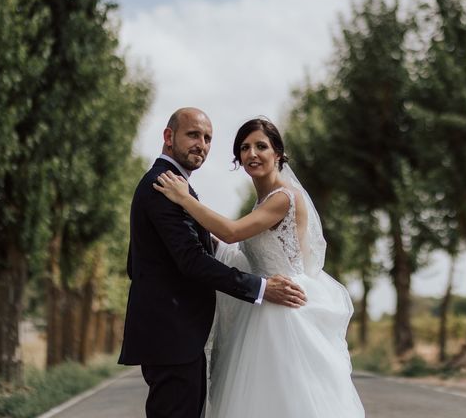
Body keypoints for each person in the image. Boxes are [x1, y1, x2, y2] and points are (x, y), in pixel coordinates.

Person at [154, 118, 365, 418]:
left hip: (286, 309)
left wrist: (185, 199)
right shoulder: (262, 202)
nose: (252, 153)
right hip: (263, 306)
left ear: (278, 153)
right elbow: (241, 253)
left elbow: (231, 232)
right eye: (244, 147)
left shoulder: (284, 198)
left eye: (261, 146)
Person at [118, 108, 307, 418]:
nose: (202, 144)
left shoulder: (177, 187)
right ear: (168, 137)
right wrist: (260, 287)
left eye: (207, 138)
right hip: (171, 337)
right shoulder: (165, 185)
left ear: (278, 154)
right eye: (193, 135)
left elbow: (211, 244)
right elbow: (192, 260)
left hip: (185, 336)